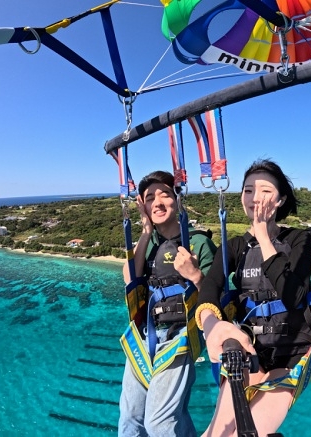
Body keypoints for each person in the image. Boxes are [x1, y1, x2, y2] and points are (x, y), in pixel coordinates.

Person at [195, 159, 311, 437]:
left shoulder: (298, 240)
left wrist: (262, 235)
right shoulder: (234, 246)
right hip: (248, 349)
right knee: (217, 432)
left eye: (265, 191)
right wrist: (211, 324)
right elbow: (211, 286)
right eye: (248, 190)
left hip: (291, 354)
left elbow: (293, 296)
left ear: (280, 200)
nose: (255, 198)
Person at [118, 170, 217, 437]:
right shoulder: (148, 243)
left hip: (179, 336)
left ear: (177, 200)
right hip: (144, 336)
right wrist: (145, 232)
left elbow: (216, 298)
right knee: (130, 420)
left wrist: (195, 275)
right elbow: (130, 279)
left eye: (165, 195)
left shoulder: (198, 243)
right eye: (150, 198)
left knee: (160, 423)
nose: (158, 203)